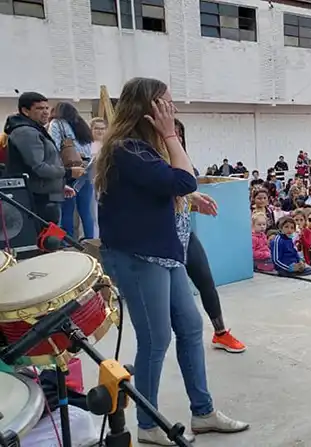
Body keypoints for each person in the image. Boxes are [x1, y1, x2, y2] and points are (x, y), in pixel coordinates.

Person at [94, 77, 248, 445]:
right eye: (165, 103)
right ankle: (147, 424)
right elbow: (182, 180)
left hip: (164, 252)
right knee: (155, 338)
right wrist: (170, 135)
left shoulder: (143, 149)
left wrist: (191, 200)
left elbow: (166, 186)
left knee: (191, 327)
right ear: (145, 107)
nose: (172, 109)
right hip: (138, 255)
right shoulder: (126, 149)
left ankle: (203, 412)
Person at [174, 118, 247, 353]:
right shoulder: (153, 164)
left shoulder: (185, 164)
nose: (176, 138)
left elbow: (181, 200)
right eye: (172, 133)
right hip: (164, 243)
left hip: (186, 234)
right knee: (173, 303)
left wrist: (195, 204)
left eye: (179, 134)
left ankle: (220, 332)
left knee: (206, 281)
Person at [3, 92, 82, 225]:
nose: (45, 112)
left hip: (45, 196)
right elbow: (38, 167)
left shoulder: (34, 130)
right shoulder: (26, 132)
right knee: (47, 237)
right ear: (25, 111)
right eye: (39, 108)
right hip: (38, 200)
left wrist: (58, 185)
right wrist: (68, 172)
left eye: (47, 108)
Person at [49, 102, 96, 239]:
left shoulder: (57, 124)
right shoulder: (82, 126)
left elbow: (53, 148)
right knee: (86, 212)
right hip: (85, 170)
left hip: (69, 171)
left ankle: (69, 242)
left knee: (67, 211)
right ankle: (91, 241)